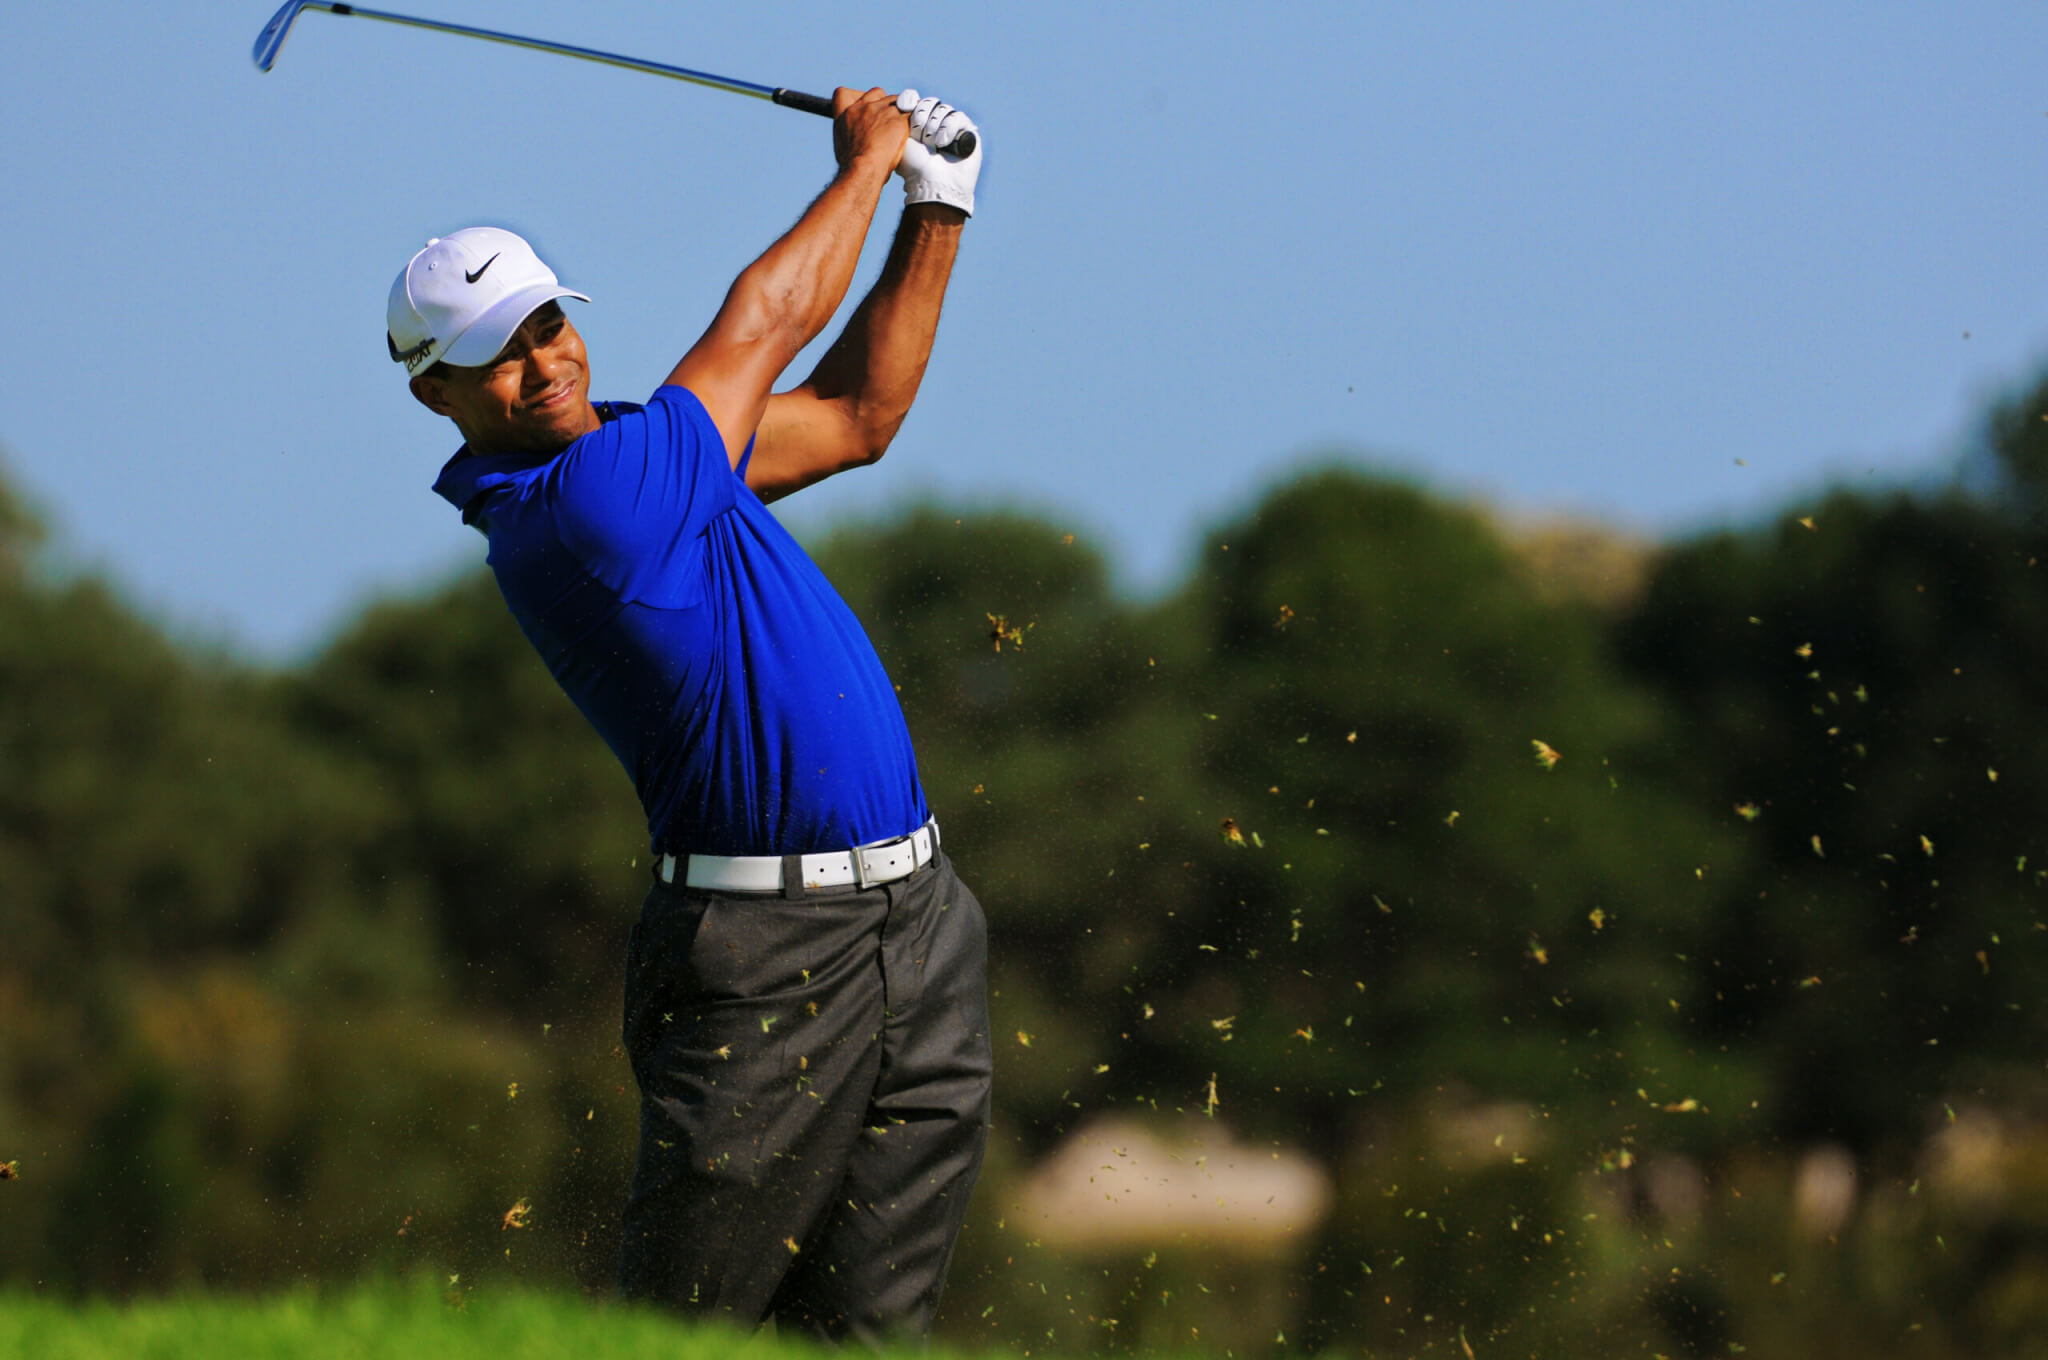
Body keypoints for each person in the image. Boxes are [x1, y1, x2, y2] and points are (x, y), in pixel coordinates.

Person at [393, 88, 991, 1344]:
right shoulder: (591, 506)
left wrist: (937, 206)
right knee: (684, 1331)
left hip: (919, 927)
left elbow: (856, 420)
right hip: (765, 957)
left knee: (868, 1332)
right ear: (435, 396)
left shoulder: (652, 455)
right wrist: (870, 159)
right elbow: (769, 317)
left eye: (550, 324)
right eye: (499, 351)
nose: (544, 361)